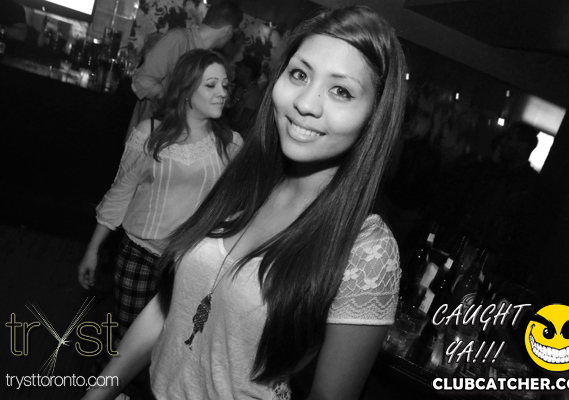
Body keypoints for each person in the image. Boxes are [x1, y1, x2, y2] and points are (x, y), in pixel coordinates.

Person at [83, 5, 407, 400]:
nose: (306, 103)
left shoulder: (368, 248)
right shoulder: (243, 177)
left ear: (374, 117)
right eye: (300, 74)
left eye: (341, 91)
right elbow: (171, 303)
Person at [77, 49, 243, 349]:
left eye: (224, 85)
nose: (222, 92)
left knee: (167, 347)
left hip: (189, 265)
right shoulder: (149, 133)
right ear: (186, 90)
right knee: (127, 341)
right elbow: (120, 193)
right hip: (139, 255)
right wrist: (93, 249)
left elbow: (233, 207)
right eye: (211, 85)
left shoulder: (230, 143)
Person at [127, 0, 243, 140]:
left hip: (181, 136)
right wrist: (177, 102)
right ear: (228, 30)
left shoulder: (209, 57)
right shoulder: (179, 39)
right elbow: (141, 80)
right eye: (233, 33)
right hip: (153, 134)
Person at [226, 54, 263, 135]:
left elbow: (243, 124)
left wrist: (225, 131)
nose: (236, 70)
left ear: (247, 71)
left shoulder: (253, 94)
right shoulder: (241, 89)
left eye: (240, 67)